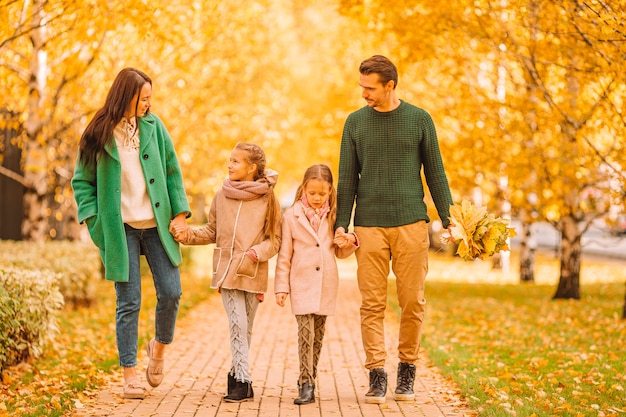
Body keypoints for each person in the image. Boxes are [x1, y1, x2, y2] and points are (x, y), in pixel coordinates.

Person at [334, 55, 454, 404]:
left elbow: (435, 173)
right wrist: (343, 222)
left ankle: (407, 369)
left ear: (390, 85)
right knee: (371, 304)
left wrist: (448, 218)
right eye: (361, 87)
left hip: (411, 224)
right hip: (369, 226)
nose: (364, 94)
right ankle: (376, 373)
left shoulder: (419, 120)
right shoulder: (355, 123)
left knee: (412, 301)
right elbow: (346, 179)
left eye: (370, 88)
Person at [72, 68, 191, 400]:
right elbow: (81, 182)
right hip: (120, 228)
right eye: (143, 98)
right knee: (129, 302)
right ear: (126, 97)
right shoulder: (97, 132)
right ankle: (130, 376)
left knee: (171, 292)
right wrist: (95, 222)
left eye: (151, 97)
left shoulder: (154, 127)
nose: (148, 104)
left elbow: (171, 171)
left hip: (156, 226)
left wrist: (179, 213)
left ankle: (159, 349)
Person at [170, 142, 281, 403]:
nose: (229, 165)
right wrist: (187, 236)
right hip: (226, 271)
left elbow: (274, 240)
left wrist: (255, 253)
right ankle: (243, 382)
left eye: (235, 161)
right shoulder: (221, 195)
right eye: (229, 160)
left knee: (247, 328)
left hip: (253, 271)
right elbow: (212, 232)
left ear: (252, 168)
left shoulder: (268, 198)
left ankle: (235, 373)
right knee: (237, 325)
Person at [274, 164, 359, 405]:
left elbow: (341, 254)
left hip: (326, 283)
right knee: (305, 333)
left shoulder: (334, 217)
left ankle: (311, 379)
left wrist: (348, 241)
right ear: (304, 189)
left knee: (318, 336)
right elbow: (284, 256)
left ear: (330, 191)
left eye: (322, 194)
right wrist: (281, 287)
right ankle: (305, 383)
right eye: (312, 193)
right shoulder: (291, 216)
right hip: (301, 283)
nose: (317, 198)